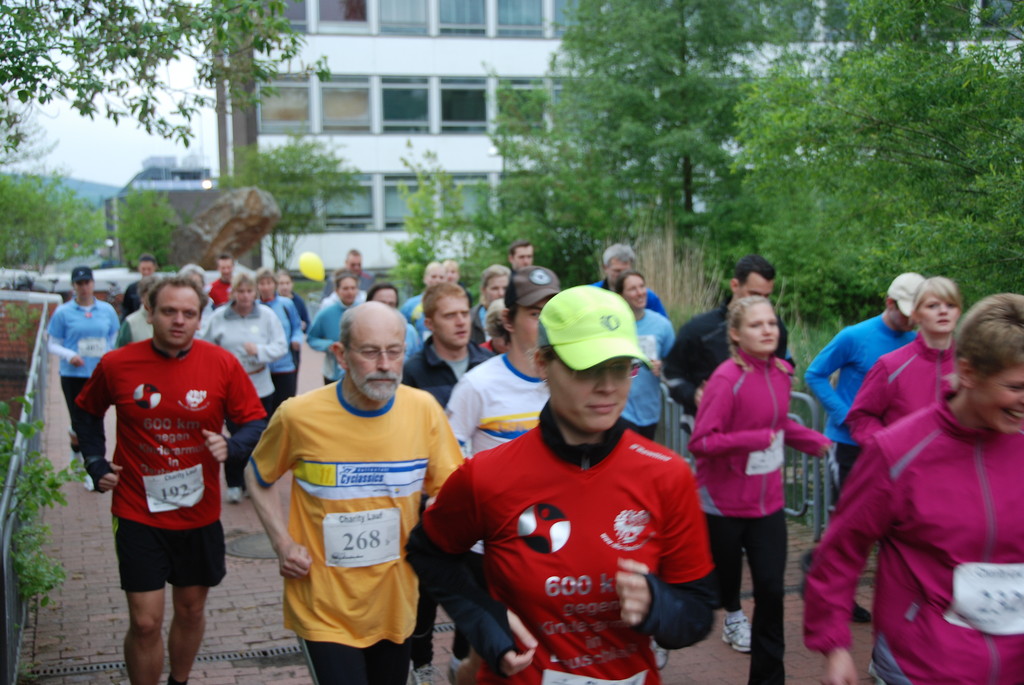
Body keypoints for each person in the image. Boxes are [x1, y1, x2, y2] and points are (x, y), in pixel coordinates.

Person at [407, 286, 718, 684]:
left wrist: (660, 606)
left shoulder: (667, 475)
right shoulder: (487, 475)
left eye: (621, 366)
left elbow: (697, 613)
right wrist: (486, 620)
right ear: (542, 363)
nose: (608, 386)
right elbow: (428, 552)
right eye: (587, 368)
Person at [804, 293, 1024, 685]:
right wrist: (834, 645)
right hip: (924, 665)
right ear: (968, 372)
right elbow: (840, 552)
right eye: (1015, 386)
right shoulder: (897, 452)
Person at [245, 302, 463, 685]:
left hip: (394, 603)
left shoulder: (424, 410)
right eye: (370, 352)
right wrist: (283, 543)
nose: (384, 364)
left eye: (394, 351)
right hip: (323, 604)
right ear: (341, 355)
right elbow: (257, 475)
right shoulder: (299, 416)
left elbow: (450, 493)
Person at [73, 275, 267, 685]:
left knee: (191, 610)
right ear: (150, 312)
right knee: (145, 622)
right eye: (169, 311)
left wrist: (232, 446)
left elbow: (254, 421)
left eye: (188, 313)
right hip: (137, 509)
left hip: (199, 512)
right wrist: (94, 460)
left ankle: (179, 680)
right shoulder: (117, 364)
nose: (179, 320)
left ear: (200, 318)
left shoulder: (221, 363)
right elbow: (87, 412)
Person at [689, 295, 830, 683]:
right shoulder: (725, 380)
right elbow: (701, 442)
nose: (768, 330)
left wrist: (818, 442)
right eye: (756, 325)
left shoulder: (782, 373)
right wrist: (752, 439)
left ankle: (768, 678)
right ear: (736, 334)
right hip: (723, 504)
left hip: (768, 504)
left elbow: (779, 424)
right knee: (720, 588)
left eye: (771, 323)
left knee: (771, 591)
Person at [442, 265, 560, 683]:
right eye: (535, 313)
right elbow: (449, 459)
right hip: (489, 548)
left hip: (555, 538)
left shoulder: (570, 379)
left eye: (553, 313)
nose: (545, 324)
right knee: (485, 654)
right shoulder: (478, 385)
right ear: (508, 320)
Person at [401, 282, 493, 683]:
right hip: (429, 502)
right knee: (423, 593)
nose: (460, 322)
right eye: (449, 315)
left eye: (463, 313)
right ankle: (421, 664)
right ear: (429, 322)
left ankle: (459, 662)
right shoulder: (413, 371)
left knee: (473, 589)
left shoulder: (488, 364)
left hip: (479, 503)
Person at [663, 254, 791, 416]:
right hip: (706, 419)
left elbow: (782, 371)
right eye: (754, 294)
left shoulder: (775, 328)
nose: (760, 303)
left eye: (766, 297)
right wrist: (694, 395)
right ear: (735, 285)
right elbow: (671, 374)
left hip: (760, 422)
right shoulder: (698, 329)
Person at [200, 272, 287, 503]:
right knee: (236, 434)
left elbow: (281, 346)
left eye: (249, 291)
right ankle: (234, 482)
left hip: (260, 384)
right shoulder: (219, 317)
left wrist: (259, 351)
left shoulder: (266, 316)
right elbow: (205, 347)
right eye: (241, 291)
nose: (245, 296)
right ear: (233, 293)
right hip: (230, 388)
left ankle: (253, 479)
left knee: (259, 435)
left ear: (255, 293)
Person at [846, 277, 962, 445]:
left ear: (959, 312)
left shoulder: (972, 366)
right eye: (932, 306)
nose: (943, 311)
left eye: (951, 305)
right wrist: (887, 448)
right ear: (915, 314)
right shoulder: (890, 365)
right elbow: (860, 418)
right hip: (903, 460)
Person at [47, 265, 120, 487]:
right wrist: (70, 356)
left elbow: (113, 338)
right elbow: (52, 343)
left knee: (94, 420)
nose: (84, 287)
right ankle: (82, 458)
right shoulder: (63, 313)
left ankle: (91, 466)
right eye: (79, 283)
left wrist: (109, 355)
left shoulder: (106, 310)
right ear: (73, 286)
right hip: (74, 374)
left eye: (87, 282)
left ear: (93, 283)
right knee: (79, 421)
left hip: (98, 373)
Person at [614, 270, 675, 439]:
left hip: (649, 410)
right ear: (621, 296)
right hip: (619, 410)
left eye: (642, 286)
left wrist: (663, 367)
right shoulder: (612, 325)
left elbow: (676, 364)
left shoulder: (662, 325)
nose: (640, 292)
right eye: (633, 289)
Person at [255, 268, 304, 416]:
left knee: (285, 408)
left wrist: (296, 339)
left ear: (274, 284)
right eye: (262, 283)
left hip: (285, 365)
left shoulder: (286, 304)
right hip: (263, 367)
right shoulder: (254, 307)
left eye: (269, 283)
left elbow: (296, 326)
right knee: (264, 410)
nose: (266, 287)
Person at [308, 271, 361, 384]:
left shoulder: (365, 311)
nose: (350, 292)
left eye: (353, 288)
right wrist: (330, 345)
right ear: (337, 291)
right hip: (333, 373)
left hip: (360, 372)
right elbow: (312, 338)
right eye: (345, 288)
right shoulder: (326, 313)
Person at [591, 243, 668, 317]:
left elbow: (662, 323)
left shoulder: (646, 297)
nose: (622, 275)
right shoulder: (591, 293)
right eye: (617, 271)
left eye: (626, 271)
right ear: (605, 268)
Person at [368, 282, 423, 360]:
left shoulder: (409, 332)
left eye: (391, 304)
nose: (386, 308)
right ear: (368, 303)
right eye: (381, 303)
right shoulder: (357, 330)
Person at [400, 262, 447, 340]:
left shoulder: (452, 304)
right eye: (433, 276)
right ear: (425, 278)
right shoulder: (410, 305)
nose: (437, 280)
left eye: (441, 277)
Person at [275, 269, 310, 369]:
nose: (285, 287)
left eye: (287, 283)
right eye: (281, 283)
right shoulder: (273, 302)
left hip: (293, 347)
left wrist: (304, 326)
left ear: (292, 284)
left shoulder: (298, 301)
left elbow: (307, 321)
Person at [470, 264, 510, 345]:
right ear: (483, 290)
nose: (501, 293)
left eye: (505, 288)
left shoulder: (519, 318)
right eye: (495, 288)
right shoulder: (470, 319)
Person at [116, 275, 158, 348]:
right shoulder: (130, 323)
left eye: (156, 296)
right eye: (149, 296)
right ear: (141, 297)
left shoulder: (169, 320)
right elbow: (119, 350)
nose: (153, 300)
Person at [121, 254, 158, 319]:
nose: (146, 272)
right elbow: (126, 311)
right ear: (139, 268)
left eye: (149, 269)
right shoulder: (131, 289)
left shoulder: (161, 288)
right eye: (143, 269)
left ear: (154, 268)